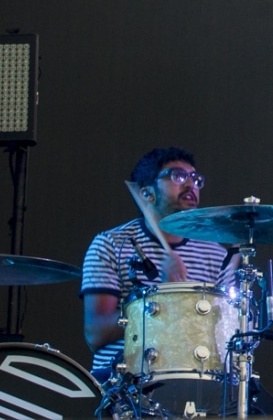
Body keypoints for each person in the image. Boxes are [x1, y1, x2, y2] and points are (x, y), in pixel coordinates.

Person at [80, 148, 235, 380]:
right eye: (177, 176)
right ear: (147, 193)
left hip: (196, 378)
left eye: (195, 179)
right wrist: (164, 298)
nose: (190, 185)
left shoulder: (216, 254)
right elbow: (96, 333)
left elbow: (227, 333)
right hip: (124, 382)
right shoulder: (111, 244)